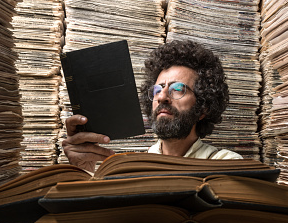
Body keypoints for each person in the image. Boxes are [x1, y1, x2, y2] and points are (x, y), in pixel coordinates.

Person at [63, 40, 242, 172]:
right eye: (157, 89)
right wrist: (83, 170)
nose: (162, 96)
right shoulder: (130, 169)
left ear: (203, 108)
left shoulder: (227, 164)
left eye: (178, 89)